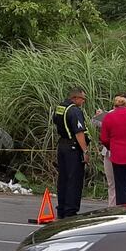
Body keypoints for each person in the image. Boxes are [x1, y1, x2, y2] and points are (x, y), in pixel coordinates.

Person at [53, 87, 89, 218]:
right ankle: (71, 211)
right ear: (75, 98)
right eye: (82, 99)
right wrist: (85, 150)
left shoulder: (60, 107)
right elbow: (79, 132)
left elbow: (55, 121)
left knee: (63, 178)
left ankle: (61, 209)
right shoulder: (75, 110)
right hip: (73, 147)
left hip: (62, 145)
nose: (83, 101)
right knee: (74, 179)